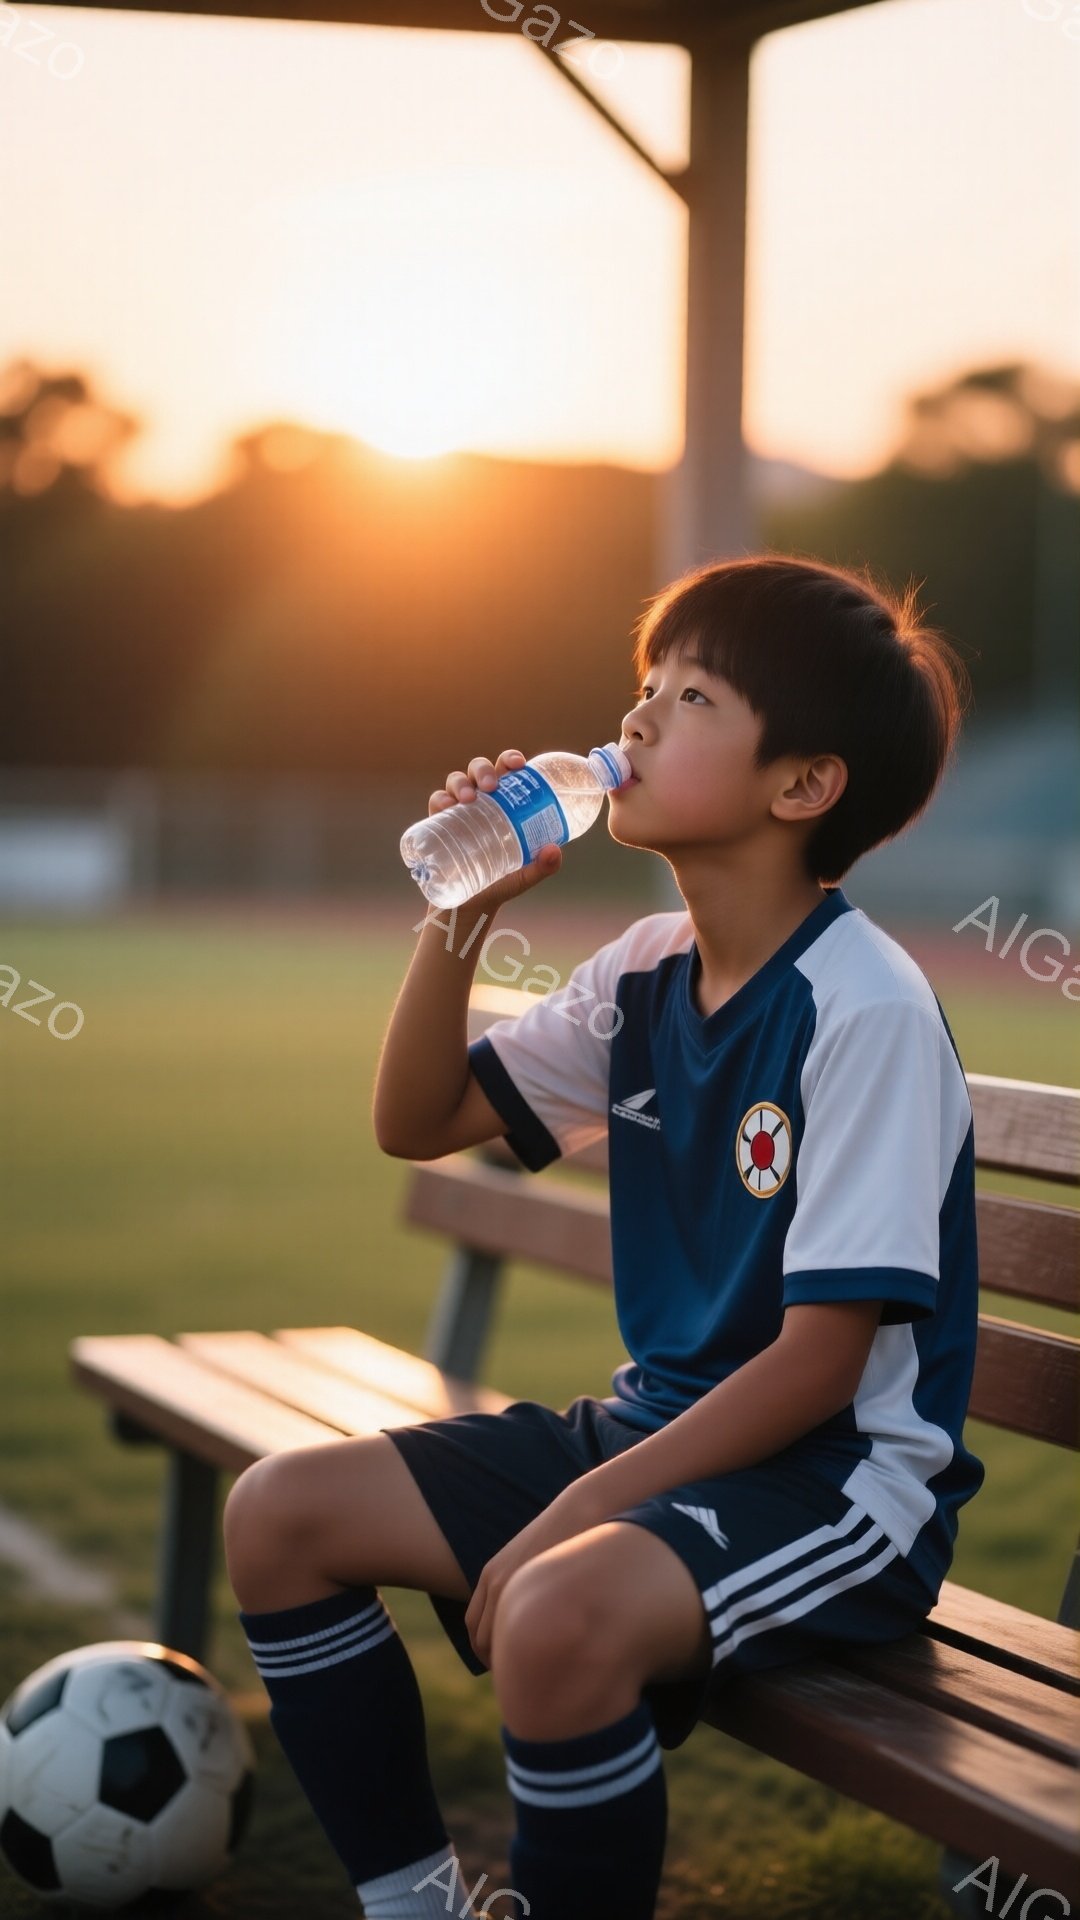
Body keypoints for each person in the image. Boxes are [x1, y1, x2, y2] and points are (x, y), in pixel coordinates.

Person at [223, 553, 986, 1920]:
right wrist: (460, 919)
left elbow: (822, 1370)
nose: (634, 721)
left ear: (802, 786)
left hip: (839, 1489)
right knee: (282, 1513)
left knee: (554, 1613)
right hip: (658, 1434)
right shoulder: (642, 967)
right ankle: (416, 1906)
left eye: (690, 697)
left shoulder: (861, 1006)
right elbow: (419, 1117)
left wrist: (579, 1512)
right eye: (643, 687)